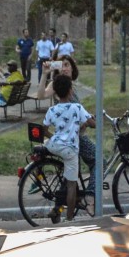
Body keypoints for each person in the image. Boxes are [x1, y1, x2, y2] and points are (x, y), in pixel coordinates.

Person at [43, 74, 96, 221]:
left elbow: (44, 129)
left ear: (55, 91)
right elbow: (93, 124)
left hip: (54, 145)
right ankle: (69, 219)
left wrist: (54, 137)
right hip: (69, 149)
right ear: (71, 91)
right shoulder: (77, 108)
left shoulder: (51, 110)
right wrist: (93, 119)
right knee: (72, 185)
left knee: (47, 147)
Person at [41, 54, 97, 182]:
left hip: (73, 135)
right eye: (61, 65)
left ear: (73, 68)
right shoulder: (57, 85)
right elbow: (41, 95)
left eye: (67, 65)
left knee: (72, 174)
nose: (64, 69)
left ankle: (71, 196)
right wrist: (45, 74)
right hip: (73, 138)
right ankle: (90, 196)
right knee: (99, 162)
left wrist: (86, 120)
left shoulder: (73, 87)